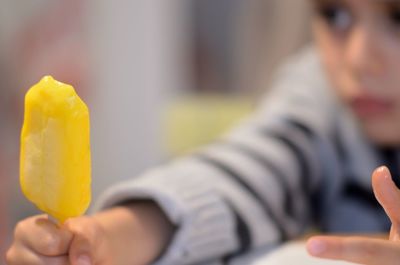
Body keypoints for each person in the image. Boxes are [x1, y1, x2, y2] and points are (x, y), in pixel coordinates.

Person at [6, 0, 400, 264]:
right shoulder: (322, 96)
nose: (360, 59)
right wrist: (104, 239)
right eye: (336, 16)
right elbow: (244, 172)